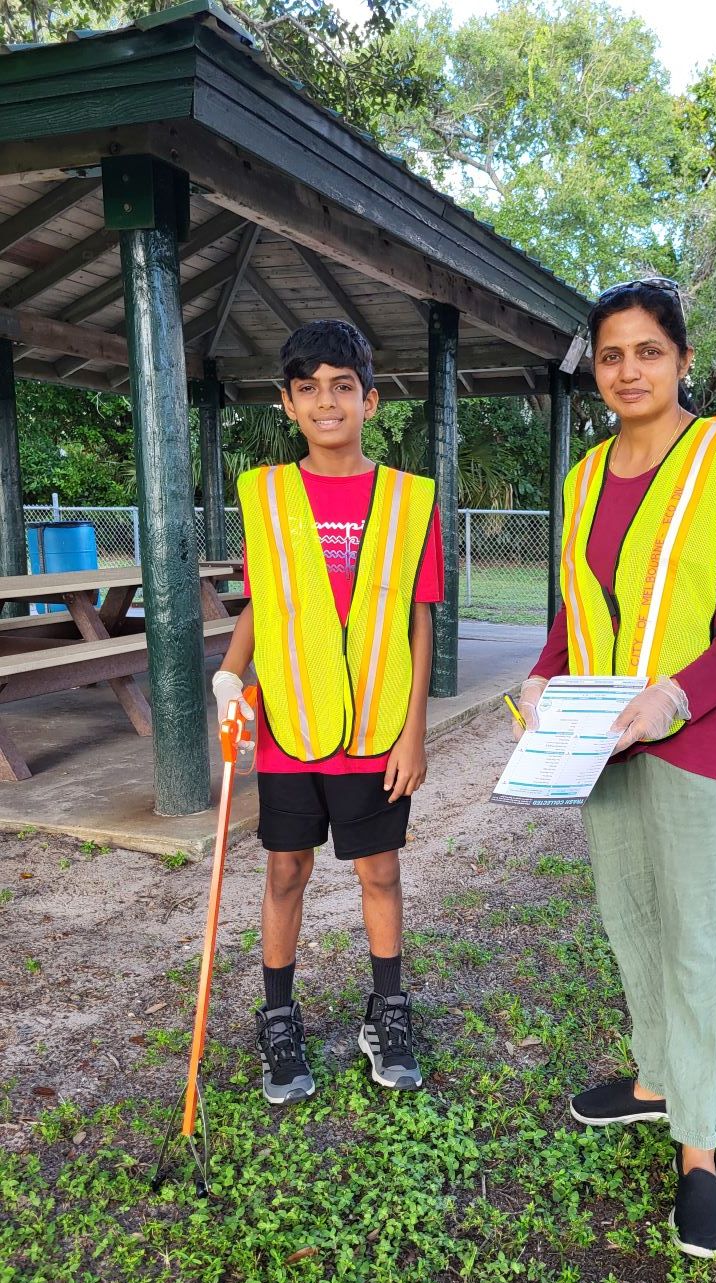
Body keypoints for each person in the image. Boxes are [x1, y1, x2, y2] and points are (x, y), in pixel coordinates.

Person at [515, 277, 716, 1258]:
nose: (628, 369)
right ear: (595, 369)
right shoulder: (585, 475)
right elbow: (575, 604)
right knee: (631, 924)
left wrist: (673, 693)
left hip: (702, 743)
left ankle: (698, 1151)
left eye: (647, 351)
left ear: (680, 360)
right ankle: (652, 1079)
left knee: (699, 946)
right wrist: (547, 674)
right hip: (604, 743)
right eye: (610, 354)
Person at [214, 319, 443, 1106]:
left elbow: (419, 618)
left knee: (379, 870)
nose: (326, 400)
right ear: (286, 403)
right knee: (286, 871)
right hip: (291, 727)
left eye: (343, 385)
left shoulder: (411, 501)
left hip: (378, 728)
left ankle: (389, 1010)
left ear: (370, 400)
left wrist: (415, 730)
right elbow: (261, 603)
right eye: (308, 387)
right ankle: (278, 1015)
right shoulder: (267, 496)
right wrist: (229, 672)